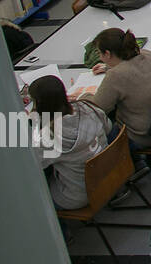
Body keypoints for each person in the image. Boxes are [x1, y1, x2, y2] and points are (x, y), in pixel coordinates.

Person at [79, 28, 151, 149]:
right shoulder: (147, 54)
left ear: (107, 54)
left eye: (99, 53)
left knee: (99, 130)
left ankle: (134, 162)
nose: (100, 58)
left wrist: (83, 96)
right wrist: (109, 67)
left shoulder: (115, 76)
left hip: (143, 136)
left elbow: (98, 108)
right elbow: (133, 71)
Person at [28, 74, 111, 210]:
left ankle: (60, 230)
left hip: (79, 195)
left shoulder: (49, 137)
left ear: (39, 104)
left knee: (35, 195)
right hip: (110, 175)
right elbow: (109, 128)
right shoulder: (88, 107)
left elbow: (34, 165)